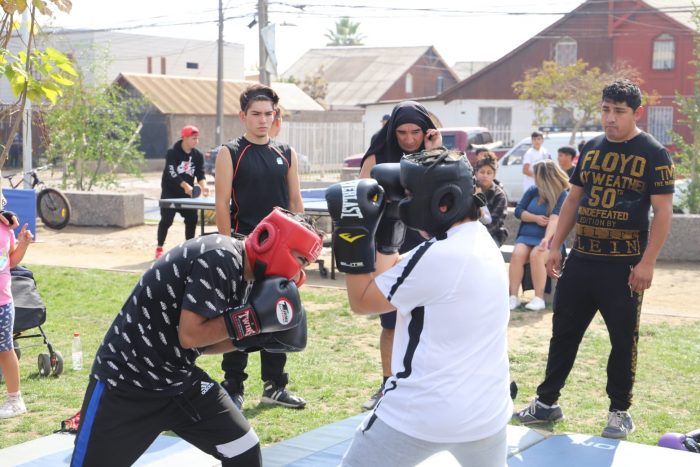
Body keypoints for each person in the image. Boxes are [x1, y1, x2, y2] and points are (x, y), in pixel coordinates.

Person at [69, 208, 324, 467]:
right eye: (300, 260)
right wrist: (249, 322)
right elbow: (190, 335)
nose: (298, 274)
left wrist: (252, 338)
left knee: (243, 449)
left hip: (178, 380)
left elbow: (203, 342)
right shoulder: (220, 257)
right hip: (126, 383)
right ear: (272, 242)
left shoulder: (245, 277)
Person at [326, 148, 512, 466]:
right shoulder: (479, 239)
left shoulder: (439, 256)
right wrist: (388, 235)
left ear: (443, 202)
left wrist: (352, 233)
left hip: (421, 411)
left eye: (411, 195)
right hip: (487, 412)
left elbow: (362, 301)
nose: (406, 203)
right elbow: (396, 273)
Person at [515, 79, 675, 440]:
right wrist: (556, 245)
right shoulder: (590, 148)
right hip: (583, 260)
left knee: (622, 339)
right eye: (606, 109)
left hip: (624, 266)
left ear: (636, 112)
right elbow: (572, 200)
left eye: (619, 111)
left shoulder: (653, 153)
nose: (610, 118)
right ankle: (546, 402)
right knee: (564, 333)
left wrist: (647, 262)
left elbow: (662, 212)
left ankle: (619, 411)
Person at [215, 84, 306, 410]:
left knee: (278, 315)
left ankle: (275, 387)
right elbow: (222, 206)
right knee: (239, 318)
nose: (263, 119)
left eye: (269, 114)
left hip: (281, 253)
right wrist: (229, 251)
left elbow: (295, 202)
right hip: (243, 248)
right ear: (243, 116)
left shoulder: (287, 153)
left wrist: (301, 248)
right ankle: (233, 386)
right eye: (256, 113)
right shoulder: (230, 153)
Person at [358, 100, 442, 411]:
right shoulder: (378, 155)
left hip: (425, 244)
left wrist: (435, 149)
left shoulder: (433, 153)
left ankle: (422, 385)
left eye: (416, 132)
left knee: (427, 321)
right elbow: (360, 200)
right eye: (402, 132)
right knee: (391, 320)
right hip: (387, 245)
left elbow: (448, 192)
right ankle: (386, 384)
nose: (408, 139)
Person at [509, 160, 569, 311]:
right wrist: (535, 218)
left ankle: (539, 298)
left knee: (537, 254)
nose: (534, 178)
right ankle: (513, 296)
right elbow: (518, 211)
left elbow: (555, 219)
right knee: (517, 254)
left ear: (545, 177)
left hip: (549, 239)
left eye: (536, 176)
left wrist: (546, 239)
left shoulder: (562, 195)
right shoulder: (532, 190)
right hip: (526, 236)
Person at [156, 125, 209, 259]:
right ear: (184, 138)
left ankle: (188, 249)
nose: (196, 141)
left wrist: (204, 185)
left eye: (197, 138)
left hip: (188, 195)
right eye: (193, 138)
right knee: (166, 220)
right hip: (170, 193)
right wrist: (185, 185)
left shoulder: (197, 155)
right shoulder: (172, 152)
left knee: (192, 219)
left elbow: (200, 174)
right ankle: (159, 247)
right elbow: (172, 172)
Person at [0, 209, 32, 420]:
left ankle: (15, 400)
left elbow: (9, 261)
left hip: (2, 302)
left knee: (5, 349)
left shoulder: (5, 226)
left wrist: (23, 244)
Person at [475, 155, 509, 246]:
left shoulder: (499, 195)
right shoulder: (470, 190)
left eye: (489, 173)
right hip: (469, 232)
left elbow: (494, 224)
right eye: (482, 172)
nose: (485, 175)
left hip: (491, 235)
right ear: (476, 173)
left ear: (494, 175)